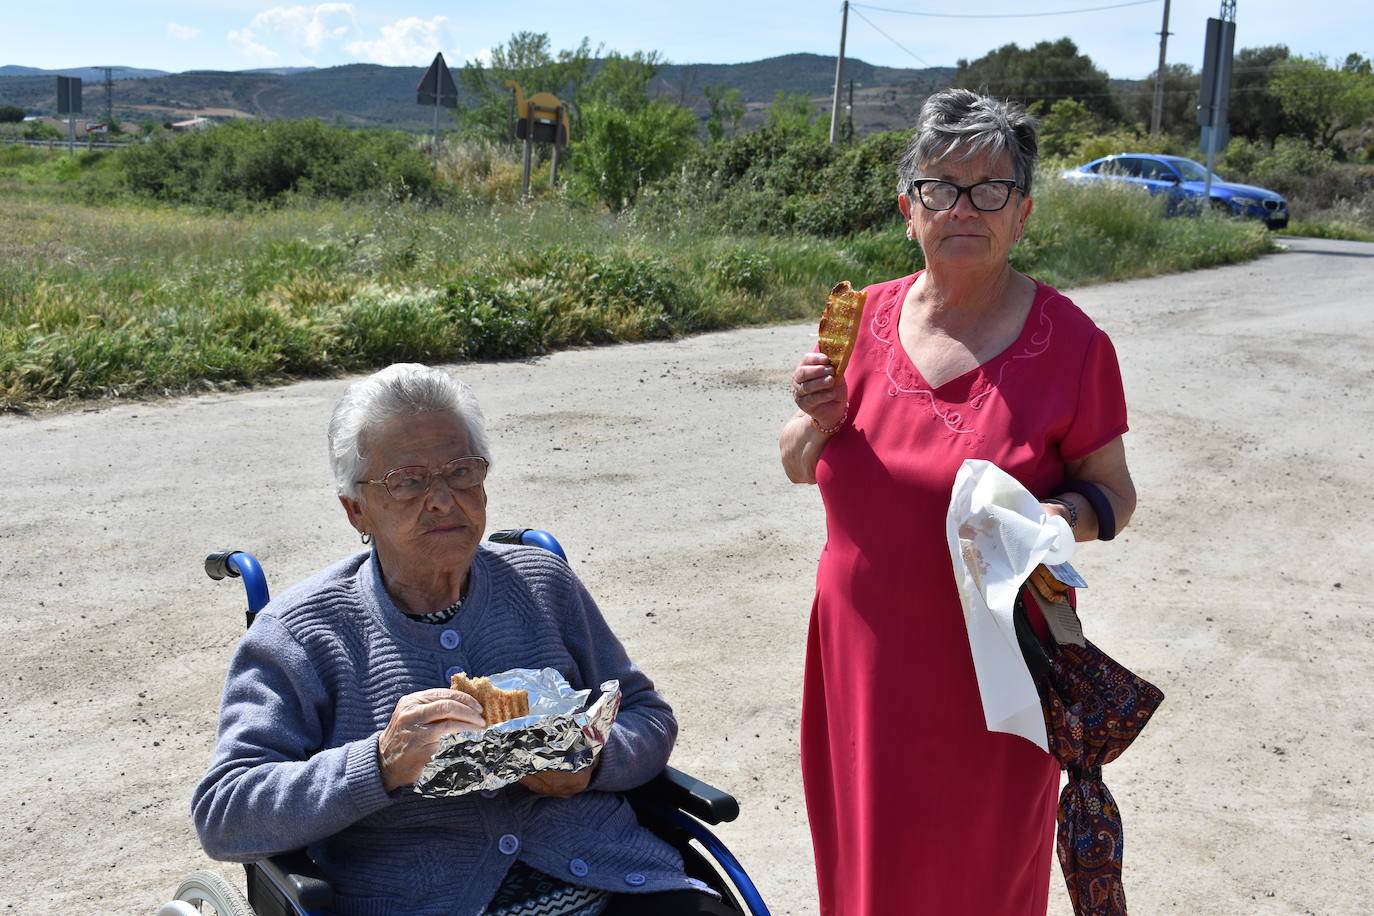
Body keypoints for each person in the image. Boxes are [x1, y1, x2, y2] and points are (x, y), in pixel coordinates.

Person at [194, 363, 733, 916]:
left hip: (614, 882)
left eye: (460, 471)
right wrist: (379, 764)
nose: (442, 499)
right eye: (406, 481)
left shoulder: (541, 583)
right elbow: (225, 812)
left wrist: (591, 763)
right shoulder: (303, 633)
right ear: (356, 509)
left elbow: (646, 713)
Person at [780, 89, 1137, 916]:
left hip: (999, 668)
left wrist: (1062, 518)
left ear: (1023, 213)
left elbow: (1113, 492)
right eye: (941, 187)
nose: (963, 206)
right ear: (910, 210)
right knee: (867, 867)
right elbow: (799, 464)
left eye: (990, 188)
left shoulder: (1076, 345)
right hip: (860, 657)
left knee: (977, 873)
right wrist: (814, 420)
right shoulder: (856, 316)